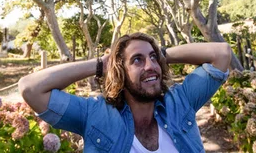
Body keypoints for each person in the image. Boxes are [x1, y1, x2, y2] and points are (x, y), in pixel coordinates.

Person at [19, 32, 232, 153]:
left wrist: (162, 53)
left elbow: (221, 53)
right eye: (137, 59)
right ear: (120, 70)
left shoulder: (180, 101)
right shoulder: (93, 114)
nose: (150, 65)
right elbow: (31, 88)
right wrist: (101, 64)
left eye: (153, 58)